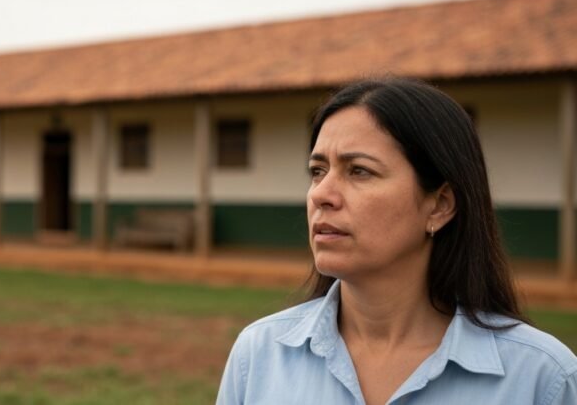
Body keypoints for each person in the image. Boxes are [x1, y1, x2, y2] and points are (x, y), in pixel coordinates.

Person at [216, 77, 577, 405]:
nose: (321, 194)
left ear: (440, 205)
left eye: (359, 171)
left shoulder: (541, 380)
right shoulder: (259, 356)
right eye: (317, 171)